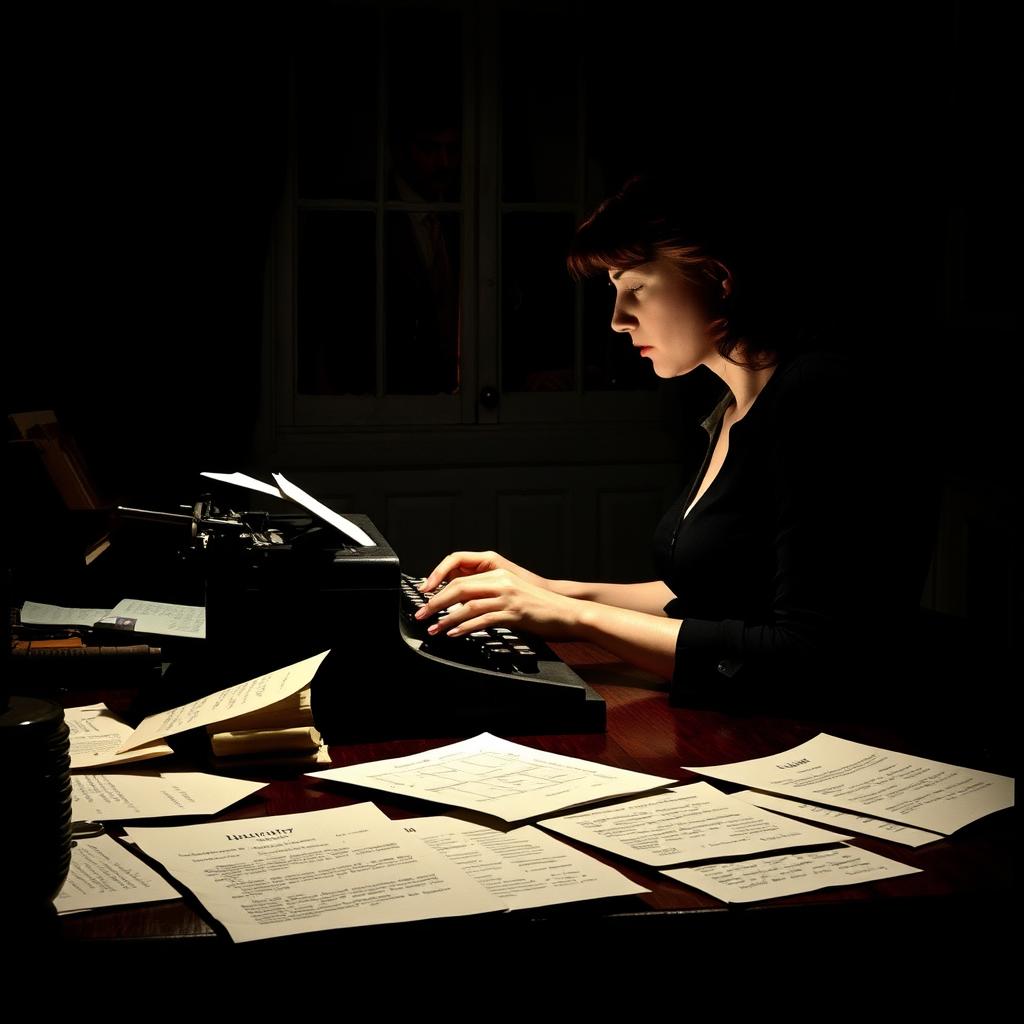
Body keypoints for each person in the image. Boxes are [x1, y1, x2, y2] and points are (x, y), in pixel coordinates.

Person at [415, 176, 938, 712]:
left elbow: (808, 655)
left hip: (833, 739)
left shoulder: (819, 396)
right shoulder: (732, 409)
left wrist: (575, 616)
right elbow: (715, 596)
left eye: (635, 287)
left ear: (717, 279)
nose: (618, 320)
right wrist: (548, 589)